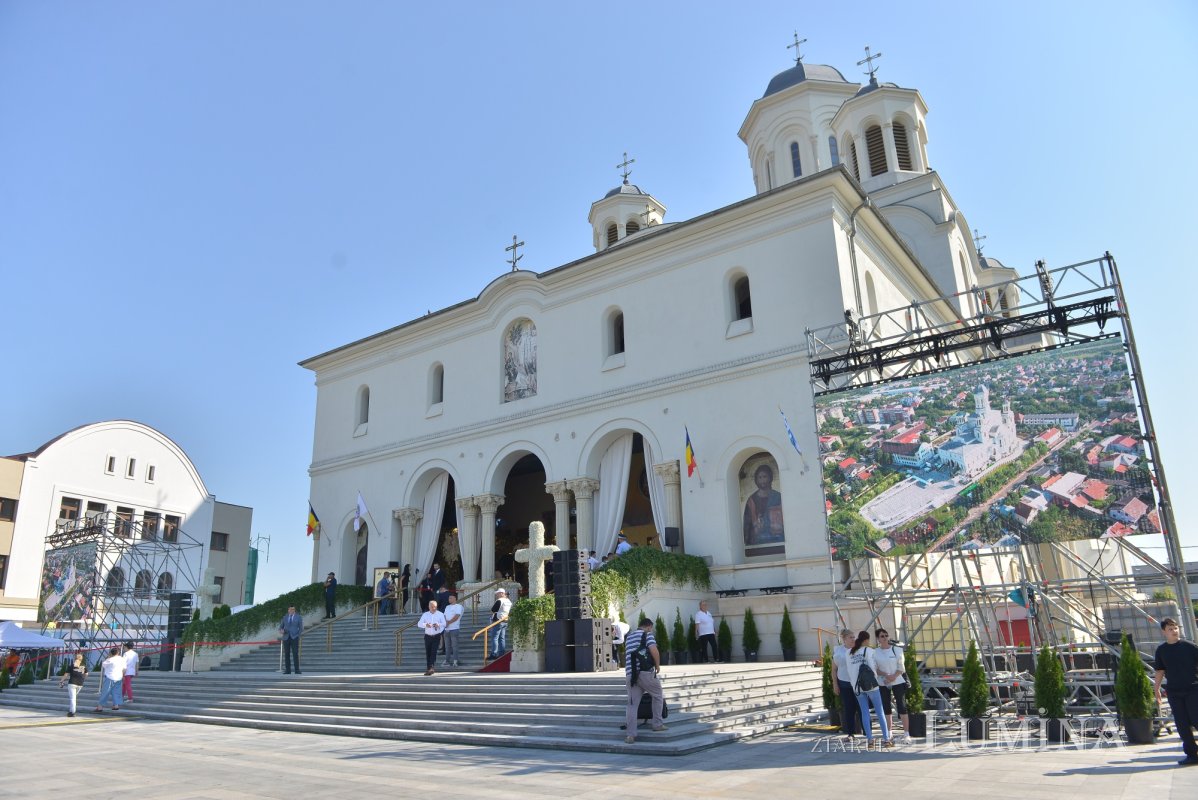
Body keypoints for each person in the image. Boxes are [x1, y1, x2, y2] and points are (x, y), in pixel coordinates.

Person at [1153, 617, 1198, 766]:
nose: (1174, 631)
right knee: (1182, 724)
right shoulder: (1161, 650)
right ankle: (1192, 754)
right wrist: (1157, 689)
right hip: (1174, 692)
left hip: (1192, 689)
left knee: (1196, 719)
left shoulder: (1190, 647)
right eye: (1170, 629)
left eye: (1176, 628)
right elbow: (1160, 670)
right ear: (1164, 632)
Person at [623, 617, 666, 743]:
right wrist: (657, 665)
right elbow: (654, 651)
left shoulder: (629, 637)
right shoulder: (647, 635)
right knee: (658, 696)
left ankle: (630, 735)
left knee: (632, 704)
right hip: (646, 673)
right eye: (650, 628)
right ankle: (657, 724)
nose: (650, 630)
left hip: (631, 674)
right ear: (648, 626)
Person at [846, 630, 892, 749]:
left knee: (864, 712)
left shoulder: (848, 653)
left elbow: (849, 671)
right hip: (871, 686)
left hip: (856, 687)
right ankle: (886, 739)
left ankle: (870, 740)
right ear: (866, 640)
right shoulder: (869, 651)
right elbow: (872, 668)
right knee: (880, 711)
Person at [873, 628, 908, 736]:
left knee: (901, 706)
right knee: (886, 706)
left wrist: (894, 676)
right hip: (883, 682)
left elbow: (901, 666)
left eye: (886, 635)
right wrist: (885, 675)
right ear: (878, 638)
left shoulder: (897, 650)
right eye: (882, 636)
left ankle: (906, 733)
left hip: (898, 680)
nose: (885, 638)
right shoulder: (875, 652)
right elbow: (874, 668)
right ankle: (889, 731)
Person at [742, 463, 784, 545]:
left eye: (765, 477)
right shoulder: (751, 500)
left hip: (777, 538)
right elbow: (747, 524)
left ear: (770, 478)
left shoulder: (778, 497)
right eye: (760, 477)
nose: (762, 480)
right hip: (758, 540)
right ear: (756, 480)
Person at [832, 629, 862, 740]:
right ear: (844, 639)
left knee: (862, 708)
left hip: (859, 684)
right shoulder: (838, 651)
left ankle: (867, 733)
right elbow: (834, 669)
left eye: (854, 637)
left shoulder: (859, 650)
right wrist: (835, 684)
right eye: (850, 637)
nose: (853, 639)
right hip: (844, 683)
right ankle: (850, 733)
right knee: (849, 709)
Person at [418, 599, 446, 676]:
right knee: (428, 652)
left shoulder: (440, 614)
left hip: (436, 635)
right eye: (431, 607)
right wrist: (425, 625)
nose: (433, 608)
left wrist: (438, 625)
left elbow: (444, 623)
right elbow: (419, 624)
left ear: (436, 607)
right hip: (427, 636)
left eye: (434, 607)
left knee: (433, 652)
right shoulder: (425, 614)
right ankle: (429, 668)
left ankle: (431, 668)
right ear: (429, 607)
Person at [94, 646, 125, 712]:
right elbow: (124, 668)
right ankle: (116, 705)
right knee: (116, 692)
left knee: (105, 692)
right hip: (119, 677)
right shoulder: (122, 659)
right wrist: (123, 676)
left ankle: (100, 707)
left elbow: (103, 665)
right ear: (118, 652)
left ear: (111, 653)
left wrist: (109, 657)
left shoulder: (110, 659)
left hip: (110, 677)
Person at [58, 652, 87, 717]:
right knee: (73, 697)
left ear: (75, 658)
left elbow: (66, 674)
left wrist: (61, 681)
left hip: (72, 683)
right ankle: (71, 710)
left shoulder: (72, 665)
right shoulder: (83, 666)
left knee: (73, 698)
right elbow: (86, 674)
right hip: (80, 684)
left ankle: (72, 712)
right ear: (81, 659)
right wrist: (83, 679)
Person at [279, 605, 303, 674]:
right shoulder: (285, 617)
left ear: (294, 610)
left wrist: (298, 636)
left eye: (293, 609)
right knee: (286, 654)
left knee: (295, 653)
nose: (291, 610)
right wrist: (281, 630)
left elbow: (301, 628)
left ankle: (297, 670)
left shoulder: (298, 617)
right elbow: (280, 627)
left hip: (294, 637)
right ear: (288, 610)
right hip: (286, 638)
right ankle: (288, 670)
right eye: (290, 609)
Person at [489, 587, 512, 658]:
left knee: (495, 638)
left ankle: (494, 654)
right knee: (502, 638)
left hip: (498, 620)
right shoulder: (509, 601)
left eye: (498, 593)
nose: (497, 595)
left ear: (502, 593)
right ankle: (502, 653)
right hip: (505, 620)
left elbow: (493, 610)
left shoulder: (500, 600)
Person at [442, 593, 464, 667]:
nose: (449, 599)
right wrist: (445, 622)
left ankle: (455, 660)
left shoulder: (459, 606)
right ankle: (447, 660)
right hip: (446, 629)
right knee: (447, 646)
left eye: (451, 598)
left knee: (454, 646)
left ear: (455, 598)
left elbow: (457, 616)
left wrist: (449, 622)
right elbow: (444, 615)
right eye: (449, 598)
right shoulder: (447, 607)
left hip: (454, 628)